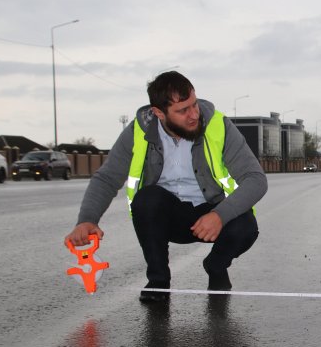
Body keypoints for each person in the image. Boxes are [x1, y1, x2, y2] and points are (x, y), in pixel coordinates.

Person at [65, 71, 267, 303]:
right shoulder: (138, 130)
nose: (193, 115)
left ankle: (216, 266)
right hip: (166, 218)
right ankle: (158, 281)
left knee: (246, 226)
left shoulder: (217, 125)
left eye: (194, 105)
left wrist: (219, 215)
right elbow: (107, 178)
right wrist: (87, 219)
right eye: (182, 111)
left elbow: (256, 179)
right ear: (159, 113)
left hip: (212, 214)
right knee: (146, 199)